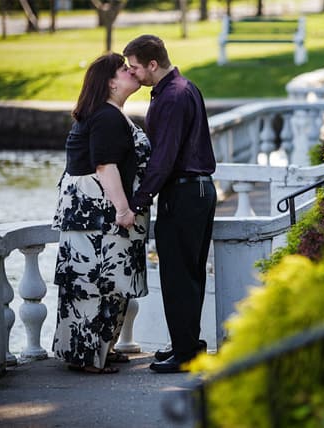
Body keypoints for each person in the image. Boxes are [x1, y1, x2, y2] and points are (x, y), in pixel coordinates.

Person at [52, 53, 151, 374]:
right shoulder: (107, 117)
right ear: (110, 82)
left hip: (91, 217)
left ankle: (99, 350)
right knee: (94, 284)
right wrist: (123, 209)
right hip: (95, 218)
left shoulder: (108, 114)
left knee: (107, 284)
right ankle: (88, 357)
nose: (131, 72)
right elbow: (104, 165)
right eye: (125, 69)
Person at [123, 34, 216, 373]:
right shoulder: (179, 89)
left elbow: (164, 156)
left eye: (135, 67)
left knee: (179, 275)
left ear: (152, 63)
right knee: (186, 274)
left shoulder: (174, 96)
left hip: (186, 192)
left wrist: (137, 201)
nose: (133, 74)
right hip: (194, 191)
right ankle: (187, 346)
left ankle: (186, 353)